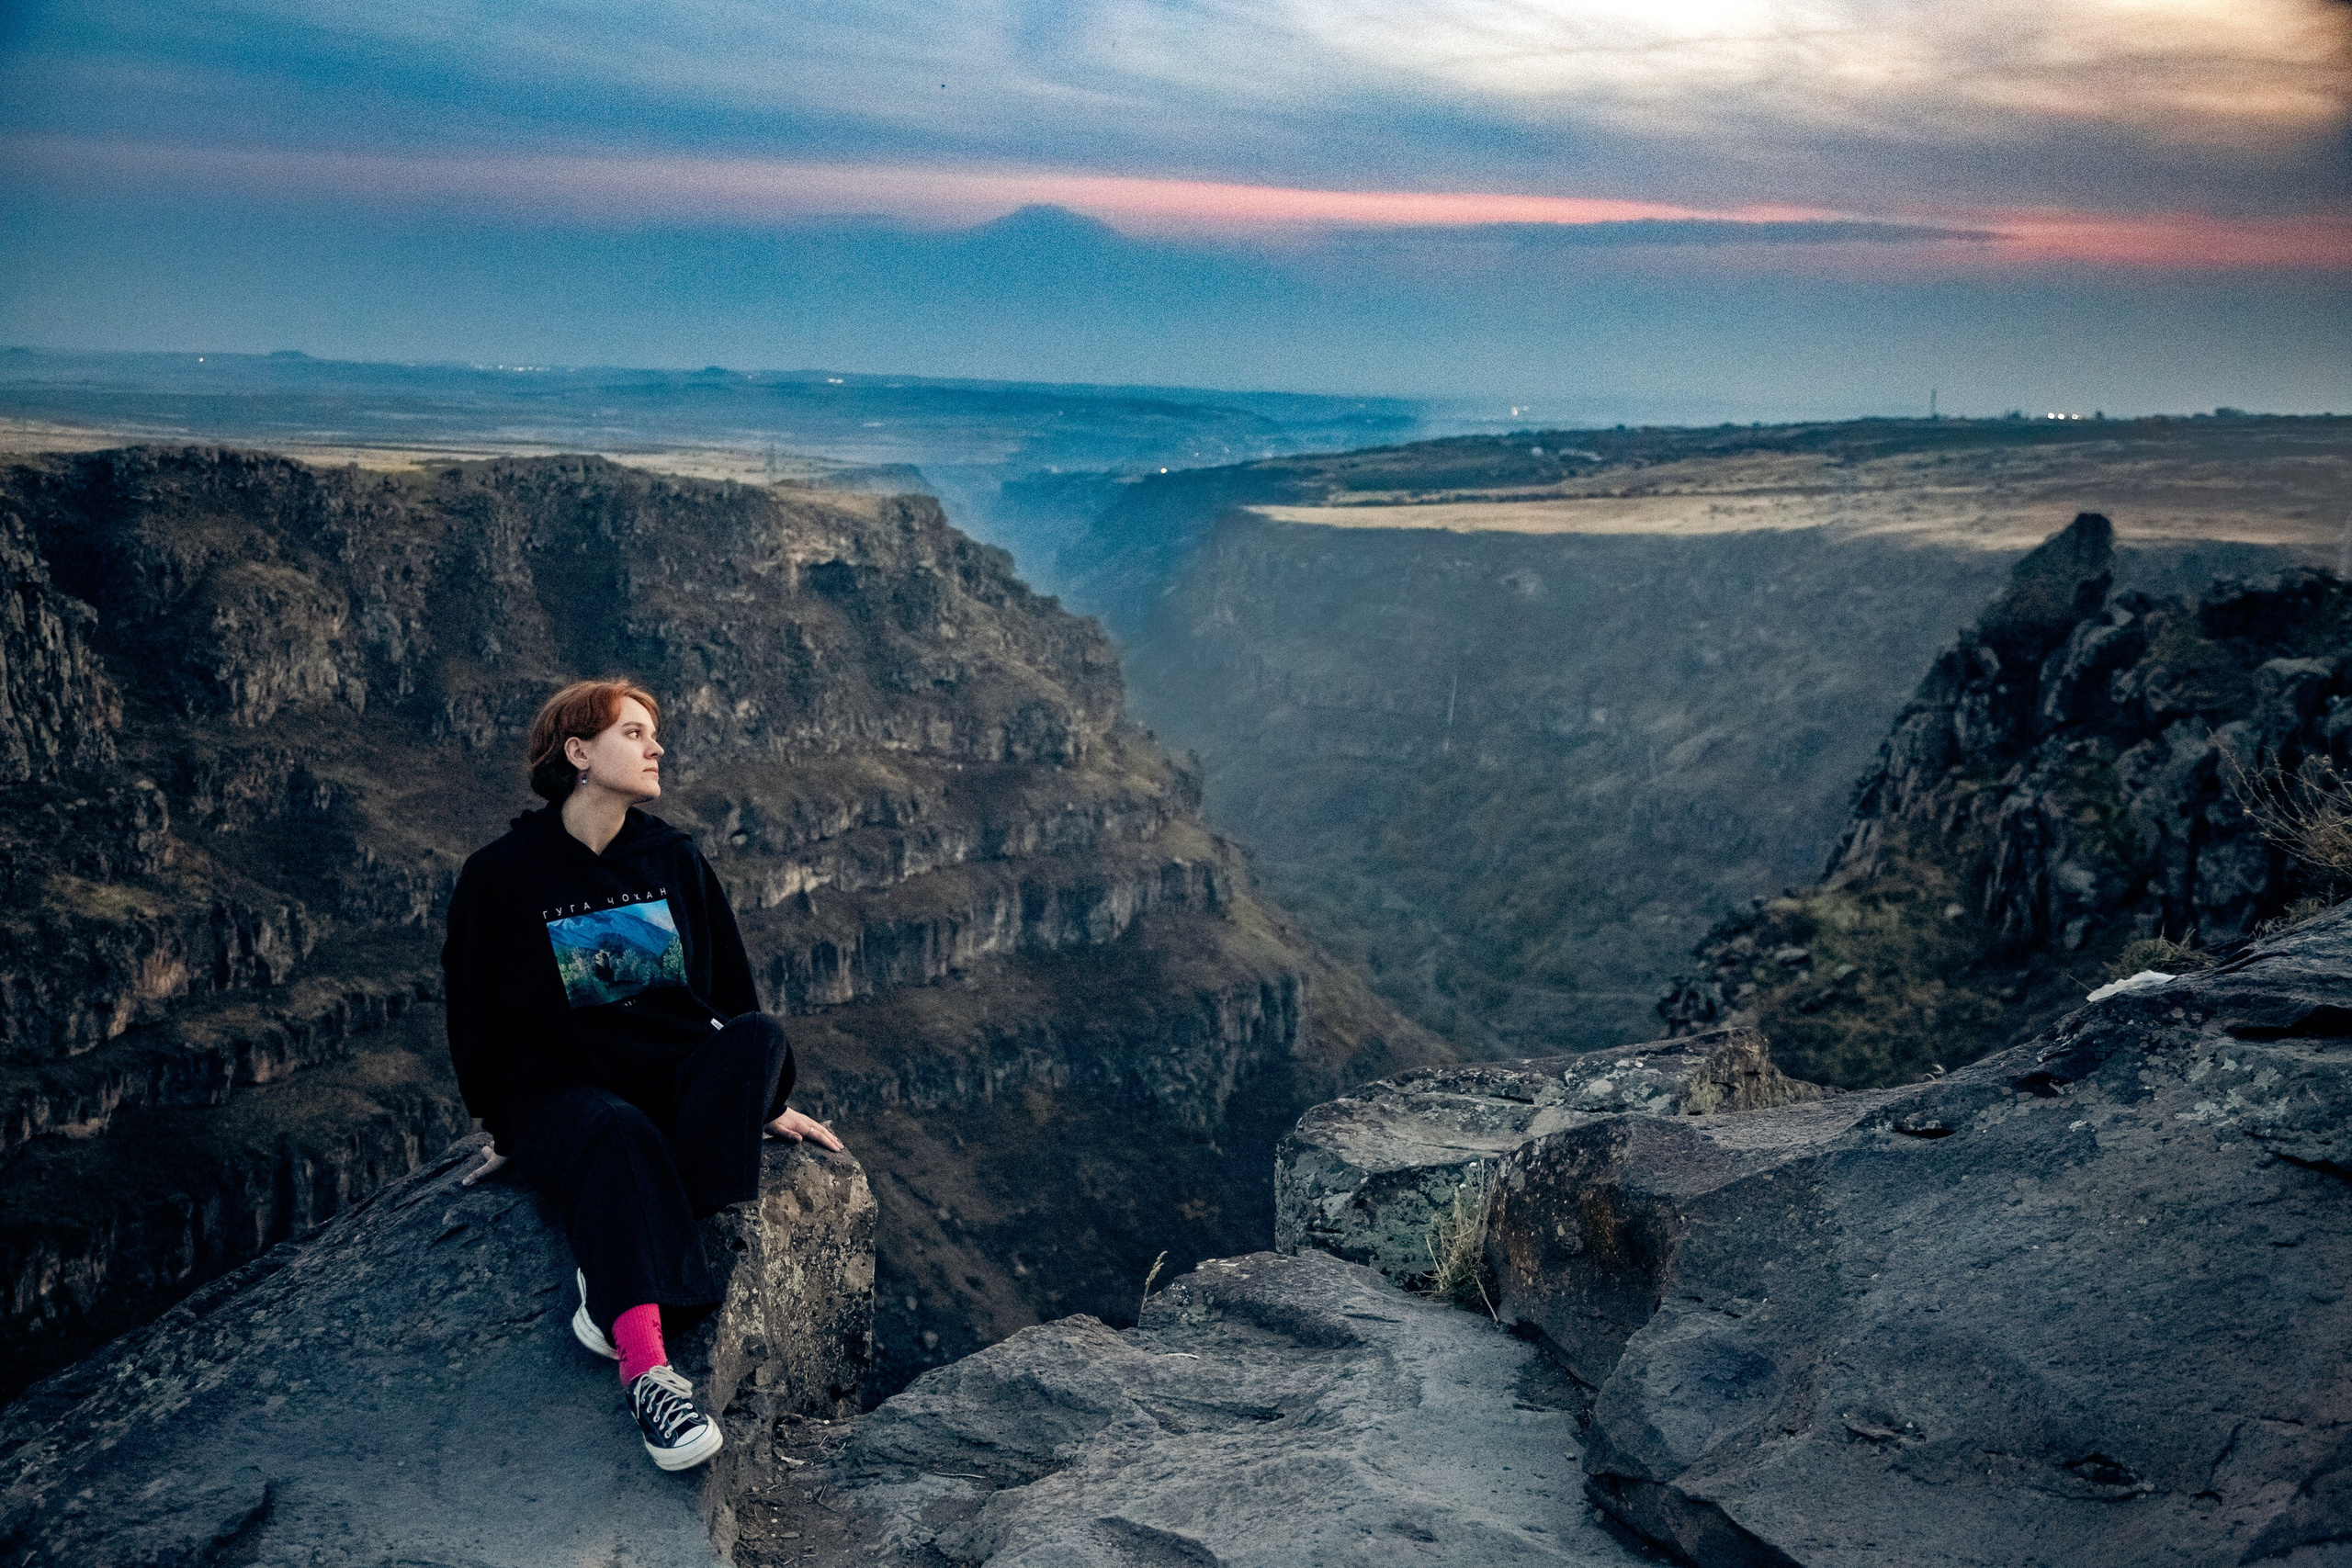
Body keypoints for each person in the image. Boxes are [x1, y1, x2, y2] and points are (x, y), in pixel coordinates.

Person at [441, 678, 842, 1472]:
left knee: (760, 1037)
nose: (656, 747)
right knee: (615, 1131)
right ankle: (649, 1370)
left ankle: (611, 1249)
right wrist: (505, 1126)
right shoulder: (504, 874)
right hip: (565, 1099)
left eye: (654, 733)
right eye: (634, 733)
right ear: (578, 752)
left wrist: (763, 1101)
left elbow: (729, 993)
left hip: (669, 1082)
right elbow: (473, 1013)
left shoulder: (671, 857)